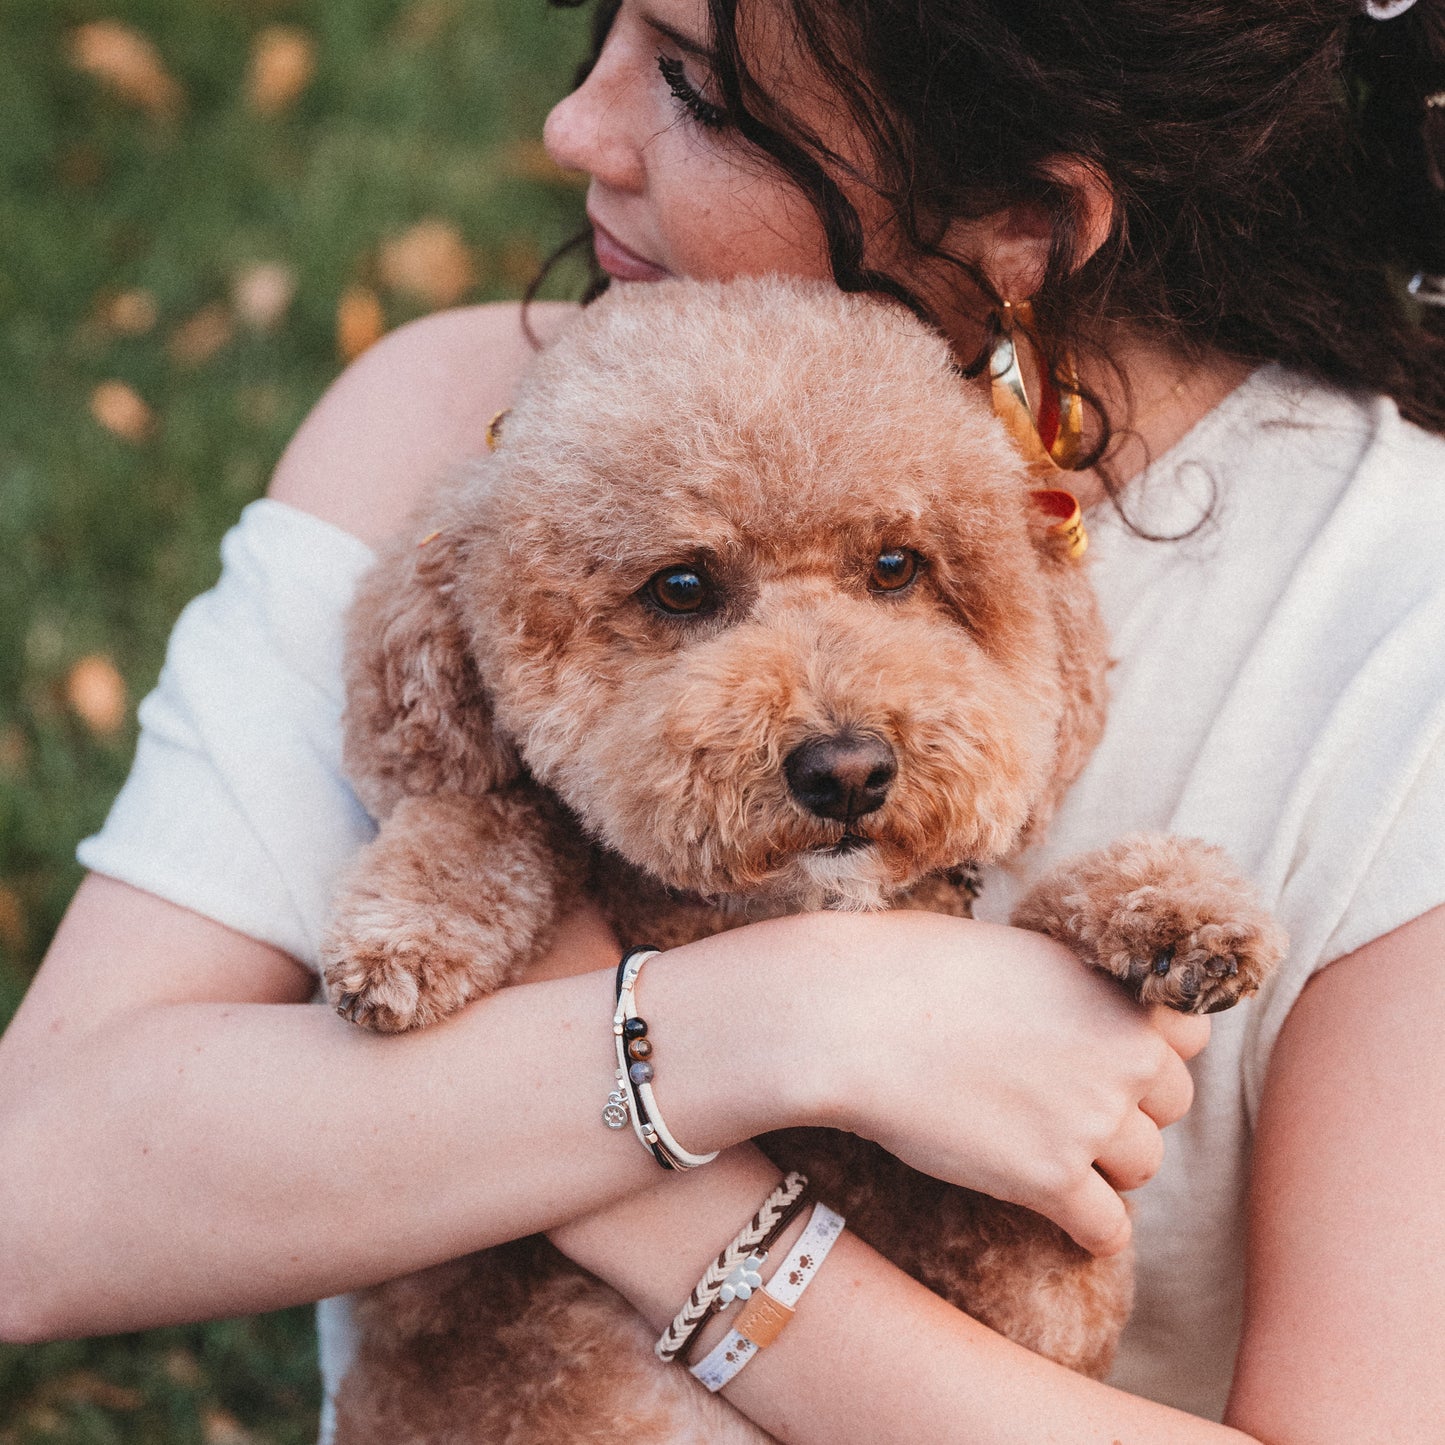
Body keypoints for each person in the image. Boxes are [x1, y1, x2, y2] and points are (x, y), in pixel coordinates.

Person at [3, 0, 1444, 1439]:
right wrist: (782, 1026)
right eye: (610, 29)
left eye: (693, 87)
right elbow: (41, 1192)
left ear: (1025, 219)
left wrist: (702, 1237)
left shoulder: (1389, 637)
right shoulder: (471, 432)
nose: (577, 125)